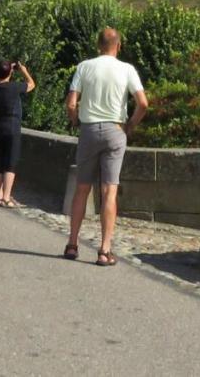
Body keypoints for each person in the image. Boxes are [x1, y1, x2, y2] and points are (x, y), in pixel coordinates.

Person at [62, 28, 148, 267]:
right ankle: (104, 250)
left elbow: (71, 103)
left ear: (98, 45)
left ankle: (72, 244)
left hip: (89, 129)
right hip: (115, 129)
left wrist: (75, 120)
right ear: (118, 46)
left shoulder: (84, 66)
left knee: (82, 189)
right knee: (109, 191)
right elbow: (143, 103)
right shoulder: (127, 69)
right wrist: (130, 125)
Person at [0, 60, 35, 207]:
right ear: (10, 72)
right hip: (12, 126)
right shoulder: (15, 87)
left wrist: (8, 71)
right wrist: (23, 70)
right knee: (10, 163)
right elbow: (31, 84)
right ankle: (7, 198)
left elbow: (1, 78)